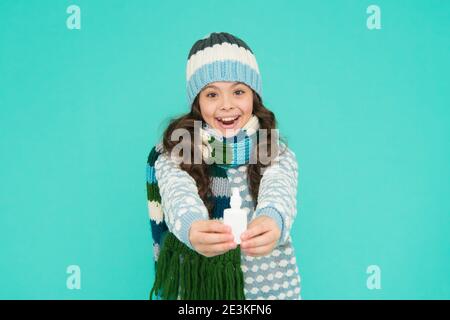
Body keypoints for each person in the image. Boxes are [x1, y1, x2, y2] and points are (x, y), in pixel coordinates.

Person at [146, 32, 301, 300]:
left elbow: (280, 188)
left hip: (272, 293)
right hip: (202, 295)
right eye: (212, 94)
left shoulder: (274, 151)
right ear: (197, 102)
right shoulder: (178, 152)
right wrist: (193, 228)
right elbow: (177, 195)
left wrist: (272, 218)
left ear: (254, 96)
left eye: (238, 91)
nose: (226, 105)